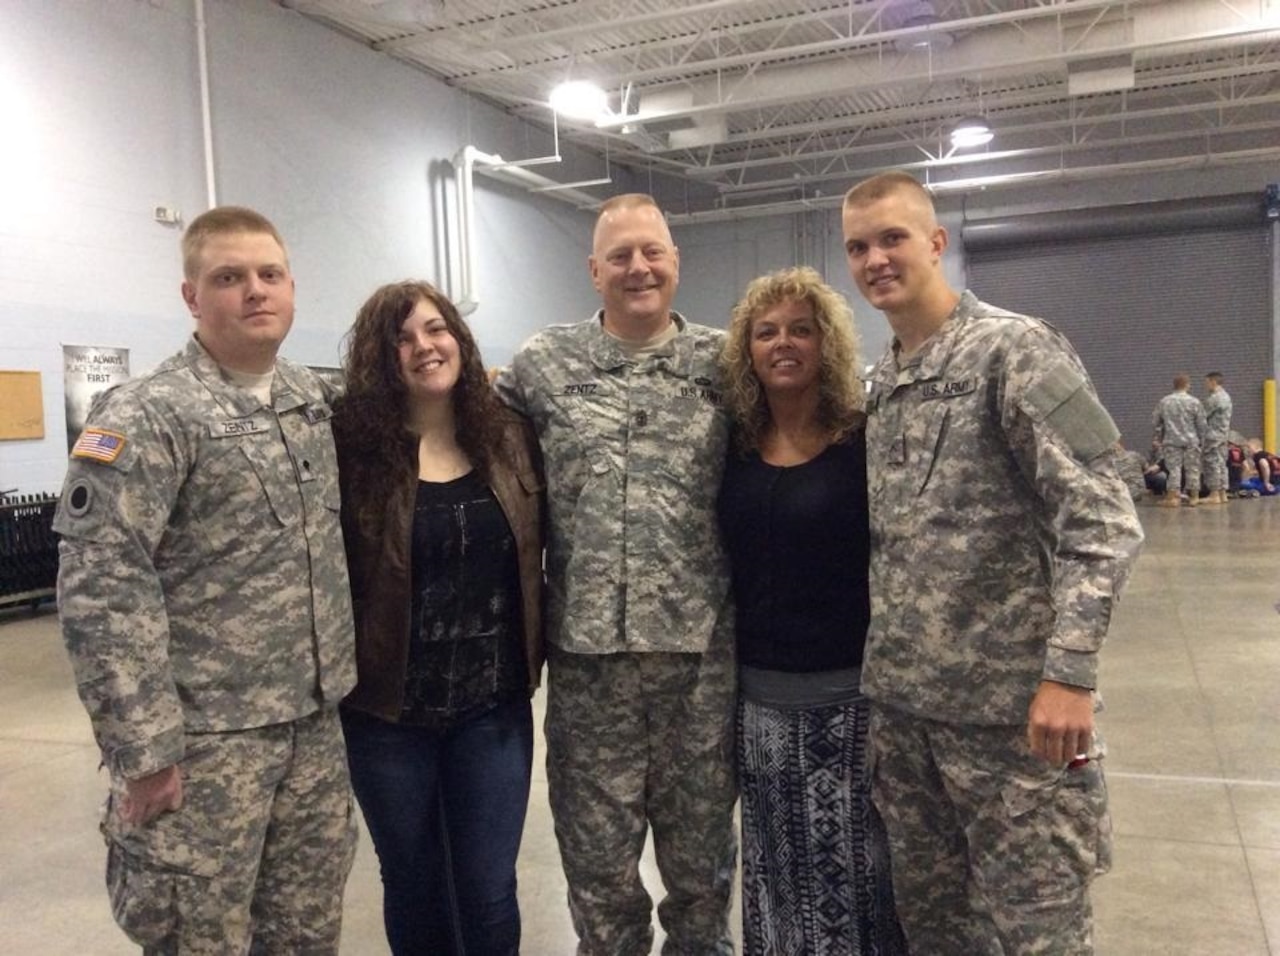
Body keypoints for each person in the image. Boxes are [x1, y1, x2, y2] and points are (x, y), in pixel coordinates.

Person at [841, 171, 1144, 955]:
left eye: (893, 238)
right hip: (909, 724)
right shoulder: (887, 381)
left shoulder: (1016, 350)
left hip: (1015, 726)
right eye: (859, 246)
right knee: (937, 933)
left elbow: (1104, 519)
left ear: (937, 243)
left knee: (1037, 935)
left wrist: (1069, 674)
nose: (876, 258)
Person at [54, 206, 358, 952]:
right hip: (204, 742)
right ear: (192, 295)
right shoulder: (149, 414)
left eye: (269, 274)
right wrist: (144, 751)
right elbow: (102, 587)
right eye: (229, 277)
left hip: (313, 732)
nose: (254, 291)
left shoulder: (311, 401)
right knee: (198, 938)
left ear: (292, 288)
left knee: (307, 933)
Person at [495, 193, 737, 956]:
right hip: (589, 672)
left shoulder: (727, 365)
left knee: (701, 880)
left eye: (652, 252)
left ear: (675, 261)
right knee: (599, 880)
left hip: (699, 670)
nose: (639, 268)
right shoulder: (543, 366)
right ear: (594, 270)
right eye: (621, 256)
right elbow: (460, 431)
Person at [332, 280, 546, 955]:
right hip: (387, 718)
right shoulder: (352, 453)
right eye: (401, 338)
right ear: (379, 358)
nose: (423, 346)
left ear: (459, 337)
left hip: (492, 711)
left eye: (435, 328)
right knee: (415, 885)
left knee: (488, 893)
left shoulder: (511, 437)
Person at [717, 266, 906, 955]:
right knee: (775, 876)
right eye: (766, 333)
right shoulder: (732, 446)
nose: (783, 343)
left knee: (859, 875)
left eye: (801, 329)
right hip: (760, 702)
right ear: (748, 350)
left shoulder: (864, 440)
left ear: (826, 343)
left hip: (852, 701)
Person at [1152, 373, 1206, 508]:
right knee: (1193, 469)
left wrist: (1158, 436)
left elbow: (1155, 421)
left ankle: (1172, 498)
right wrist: (1201, 439)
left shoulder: (1165, 401)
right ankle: (1194, 497)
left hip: (1171, 441)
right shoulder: (1195, 402)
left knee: (1173, 469)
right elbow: (1202, 424)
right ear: (1187, 385)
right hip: (1191, 440)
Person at [1199, 372, 1233, 505]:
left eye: (1207, 382)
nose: (1206, 385)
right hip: (1223, 435)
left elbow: (1202, 416)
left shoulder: (1214, 398)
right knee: (1221, 464)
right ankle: (1222, 493)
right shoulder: (1226, 397)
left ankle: (1214, 494)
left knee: (1212, 463)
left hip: (1213, 436)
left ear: (1213, 382)